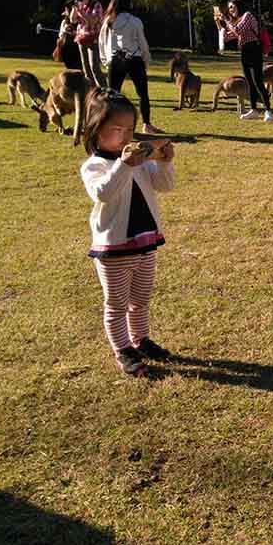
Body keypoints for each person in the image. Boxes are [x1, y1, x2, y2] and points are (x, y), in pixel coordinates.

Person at [81, 89, 176, 377]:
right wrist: (124, 165)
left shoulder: (140, 159)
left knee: (141, 296)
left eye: (130, 129)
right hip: (114, 248)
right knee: (117, 302)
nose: (125, 137)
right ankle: (123, 349)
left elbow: (164, 185)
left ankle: (141, 339)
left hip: (146, 240)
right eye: (116, 129)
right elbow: (104, 193)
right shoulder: (95, 166)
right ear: (96, 130)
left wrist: (164, 161)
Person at [98, 0, 162, 134]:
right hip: (134, 59)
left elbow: (102, 42)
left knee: (113, 95)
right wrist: (147, 60)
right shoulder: (135, 21)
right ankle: (146, 124)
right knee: (143, 94)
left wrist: (105, 60)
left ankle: (110, 125)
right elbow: (143, 43)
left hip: (115, 59)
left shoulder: (108, 21)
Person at [214, 0, 273, 121]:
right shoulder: (236, 22)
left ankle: (268, 111)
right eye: (229, 8)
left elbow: (238, 30)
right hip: (244, 51)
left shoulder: (247, 16)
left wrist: (225, 20)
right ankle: (254, 110)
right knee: (249, 82)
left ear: (238, 5)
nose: (230, 10)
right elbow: (225, 37)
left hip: (254, 50)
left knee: (258, 82)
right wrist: (218, 23)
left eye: (232, 6)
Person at [69, 0, 105, 88]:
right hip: (81, 38)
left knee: (94, 67)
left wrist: (81, 12)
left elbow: (92, 22)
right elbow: (73, 20)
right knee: (86, 68)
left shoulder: (96, 4)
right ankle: (91, 90)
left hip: (92, 38)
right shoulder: (79, 4)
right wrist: (74, 8)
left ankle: (104, 90)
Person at [55, 1, 82, 71]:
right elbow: (61, 35)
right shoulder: (64, 22)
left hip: (76, 48)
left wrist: (75, 33)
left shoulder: (80, 21)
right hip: (66, 48)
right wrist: (65, 31)